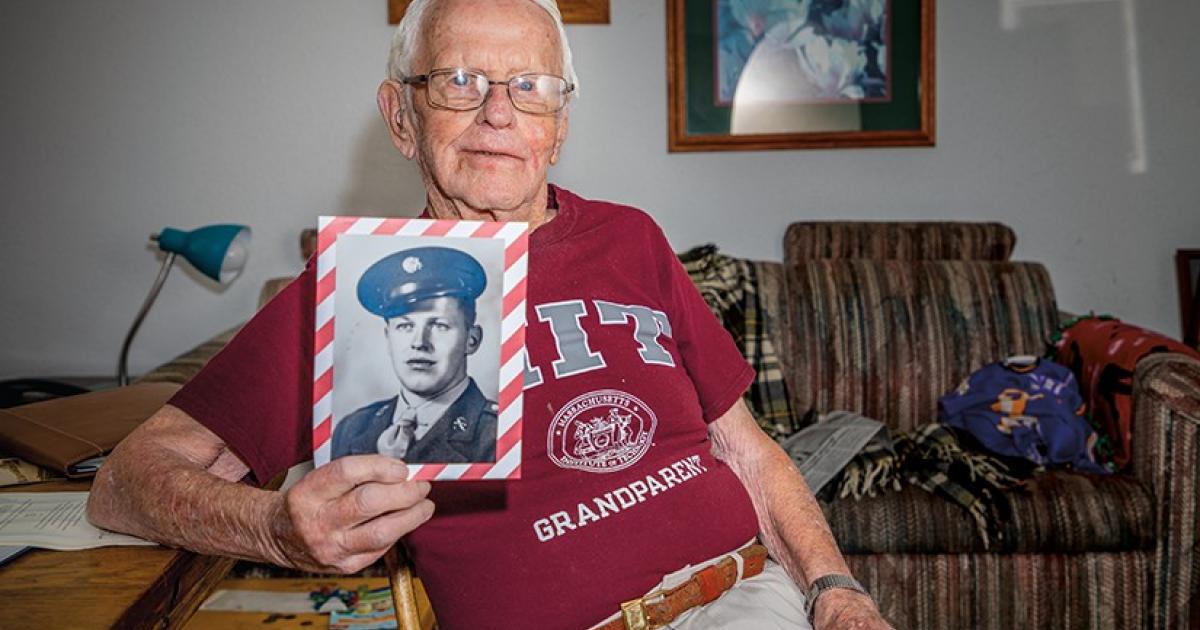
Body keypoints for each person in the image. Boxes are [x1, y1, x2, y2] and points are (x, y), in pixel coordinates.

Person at [86, 1, 892, 628]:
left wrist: (834, 590)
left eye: (530, 87)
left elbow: (747, 452)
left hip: (753, 598)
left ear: (559, 124)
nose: (498, 113)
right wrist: (274, 528)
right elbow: (125, 483)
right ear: (402, 117)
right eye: (459, 81)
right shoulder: (346, 292)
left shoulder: (631, 238)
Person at [332, 247, 498, 463]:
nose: (419, 343)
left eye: (439, 325)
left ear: (471, 340)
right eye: (405, 326)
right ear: (388, 337)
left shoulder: (497, 433)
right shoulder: (352, 428)